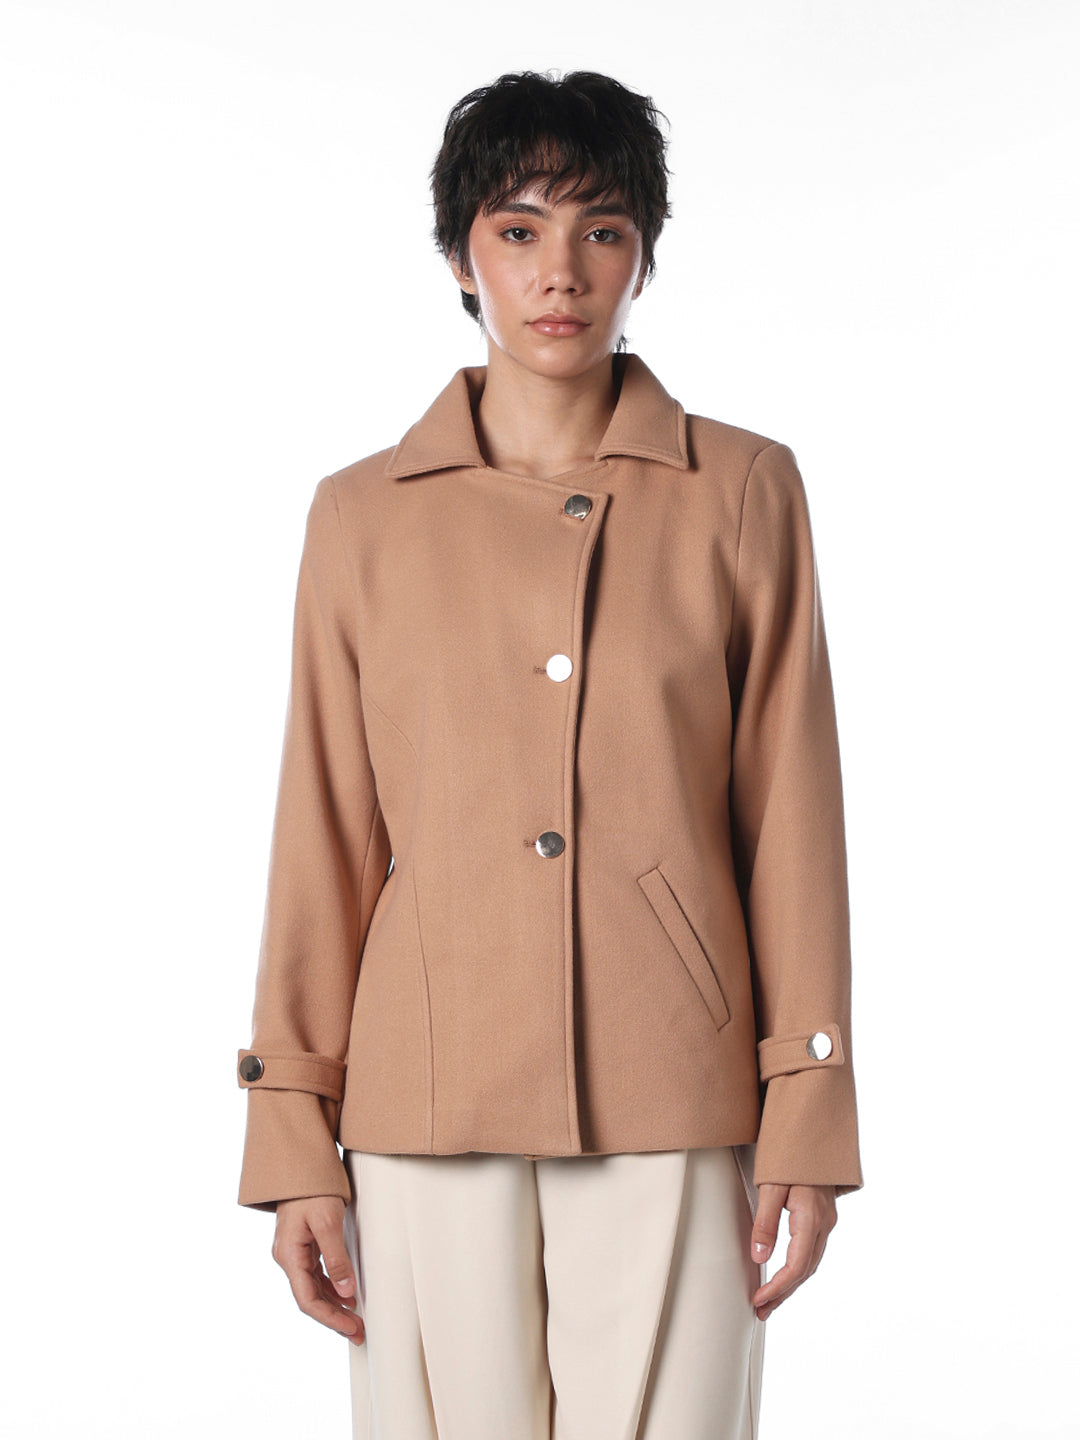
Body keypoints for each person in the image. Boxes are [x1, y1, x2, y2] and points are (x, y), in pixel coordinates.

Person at [236, 68, 864, 1440]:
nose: (559, 272)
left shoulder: (741, 490)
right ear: (460, 256)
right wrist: (292, 1130)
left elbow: (792, 816)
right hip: (424, 1095)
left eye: (602, 230)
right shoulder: (361, 517)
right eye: (518, 230)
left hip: (674, 1080)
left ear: (644, 255)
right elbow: (323, 831)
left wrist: (808, 1102)